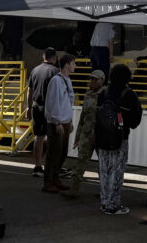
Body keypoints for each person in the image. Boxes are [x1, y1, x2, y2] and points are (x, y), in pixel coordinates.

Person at [97, 63, 142, 215]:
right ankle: (113, 205)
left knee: (104, 170)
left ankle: (104, 202)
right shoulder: (129, 94)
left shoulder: (104, 92)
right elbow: (135, 120)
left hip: (102, 137)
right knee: (117, 171)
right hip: (120, 138)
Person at [67, 69, 105, 198]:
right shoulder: (88, 95)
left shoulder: (105, 95)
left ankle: (104, 191)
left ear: (102, 81)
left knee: (103, 164)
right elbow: (83, 118)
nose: (92, 81)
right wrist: (77, 137)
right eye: (91, 79)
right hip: (86, 134)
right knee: (80, 161)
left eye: (95, 79)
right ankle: (74, 188)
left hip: (100, 134)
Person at [42, 53, 76, 193]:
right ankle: (48, 182)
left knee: (62, 153)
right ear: (66, 64)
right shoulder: (56, 81)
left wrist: (70, 120)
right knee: (54, 152)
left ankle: (55, 179)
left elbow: (67, 102)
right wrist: (57, 122)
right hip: (58, 122)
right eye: (73, 63)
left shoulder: (66, 80)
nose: (75, 66)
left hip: (65, 121)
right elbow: (53, 102)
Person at [26, 48, 59, 178]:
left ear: (43, 57)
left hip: (36, 107)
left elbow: (30, 91)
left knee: (39, 137)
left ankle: (38, 166)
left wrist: (29, 108)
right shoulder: (55, 72)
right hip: (49, 108)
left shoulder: (35, 70)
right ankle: (50, 166)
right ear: (54, 58)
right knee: (52, 138)